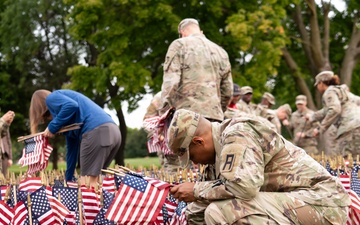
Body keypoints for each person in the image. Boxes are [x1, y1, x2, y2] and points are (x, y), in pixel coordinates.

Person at [166, 109, 349, 224]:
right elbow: (198, 210)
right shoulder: (215, 158)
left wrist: (197, 190)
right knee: (204, 212)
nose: (194, 163)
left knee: (222, 212)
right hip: (293, 203)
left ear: (199, 141)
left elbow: (243, 187)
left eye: (192, 156)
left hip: (322, 202)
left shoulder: (237, 133)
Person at [29, 89, 121, 186]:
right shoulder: (70, 123)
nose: (49, 118)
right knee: (97, 182)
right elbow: (72, 150)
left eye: (47, 114)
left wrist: (52, 127)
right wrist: (68, 179)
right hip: (114, 132)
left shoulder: (51, 98)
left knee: (86, 185)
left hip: (96, 132)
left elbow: (71, 106)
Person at [160, 18, 233, 122]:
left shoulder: (179, 45)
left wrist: (164, 111)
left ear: (182, 32)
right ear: (200, 31)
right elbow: (227, 91)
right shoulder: (221, 52)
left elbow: (171, 82)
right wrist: (218, 110)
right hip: (214, 119)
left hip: (186, 116)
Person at [307, 71, 360, 156]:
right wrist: (312, 116)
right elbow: (327, 109)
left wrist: (320, 128)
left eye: (317, 85)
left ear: (321, 83)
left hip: (349, 130)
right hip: (357, 127)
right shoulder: (344, 92)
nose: (317, 87)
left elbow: (334, 109)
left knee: (349, 162)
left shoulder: (329, 92)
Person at [142, 91, 180, 174]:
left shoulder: (186, 94)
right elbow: (147, 120)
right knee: (171, 171)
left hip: (185, 140)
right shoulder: (158, 98)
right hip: (166, 144)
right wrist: (158, 135)